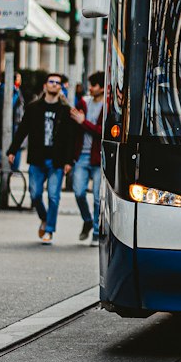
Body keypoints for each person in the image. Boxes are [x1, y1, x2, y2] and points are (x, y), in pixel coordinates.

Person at [7, 71, 80, 244]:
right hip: (37, 158)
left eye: (57, 82)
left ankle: (49, 230)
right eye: (51, 81)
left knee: (54, 196)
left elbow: (70, 138)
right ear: (45, 86)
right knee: (35, 194)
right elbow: (22, 130)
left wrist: (69, 161)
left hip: (57, 160)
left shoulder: (66, 110)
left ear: (61, 87)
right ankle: (45, 218)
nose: (54, 84)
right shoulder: (33, 108)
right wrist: (12, 150)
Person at [71, 70, 105, 242]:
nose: (90, 88)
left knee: (99, 198)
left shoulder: (108, 106)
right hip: (81, 156)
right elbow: (72, 127)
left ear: (102, 87)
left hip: (98, 157)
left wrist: (83, 122)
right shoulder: (83, 102)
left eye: (94, 85)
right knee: (78, 192)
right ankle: (87, 220)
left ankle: (97, 233)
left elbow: (103, 132)